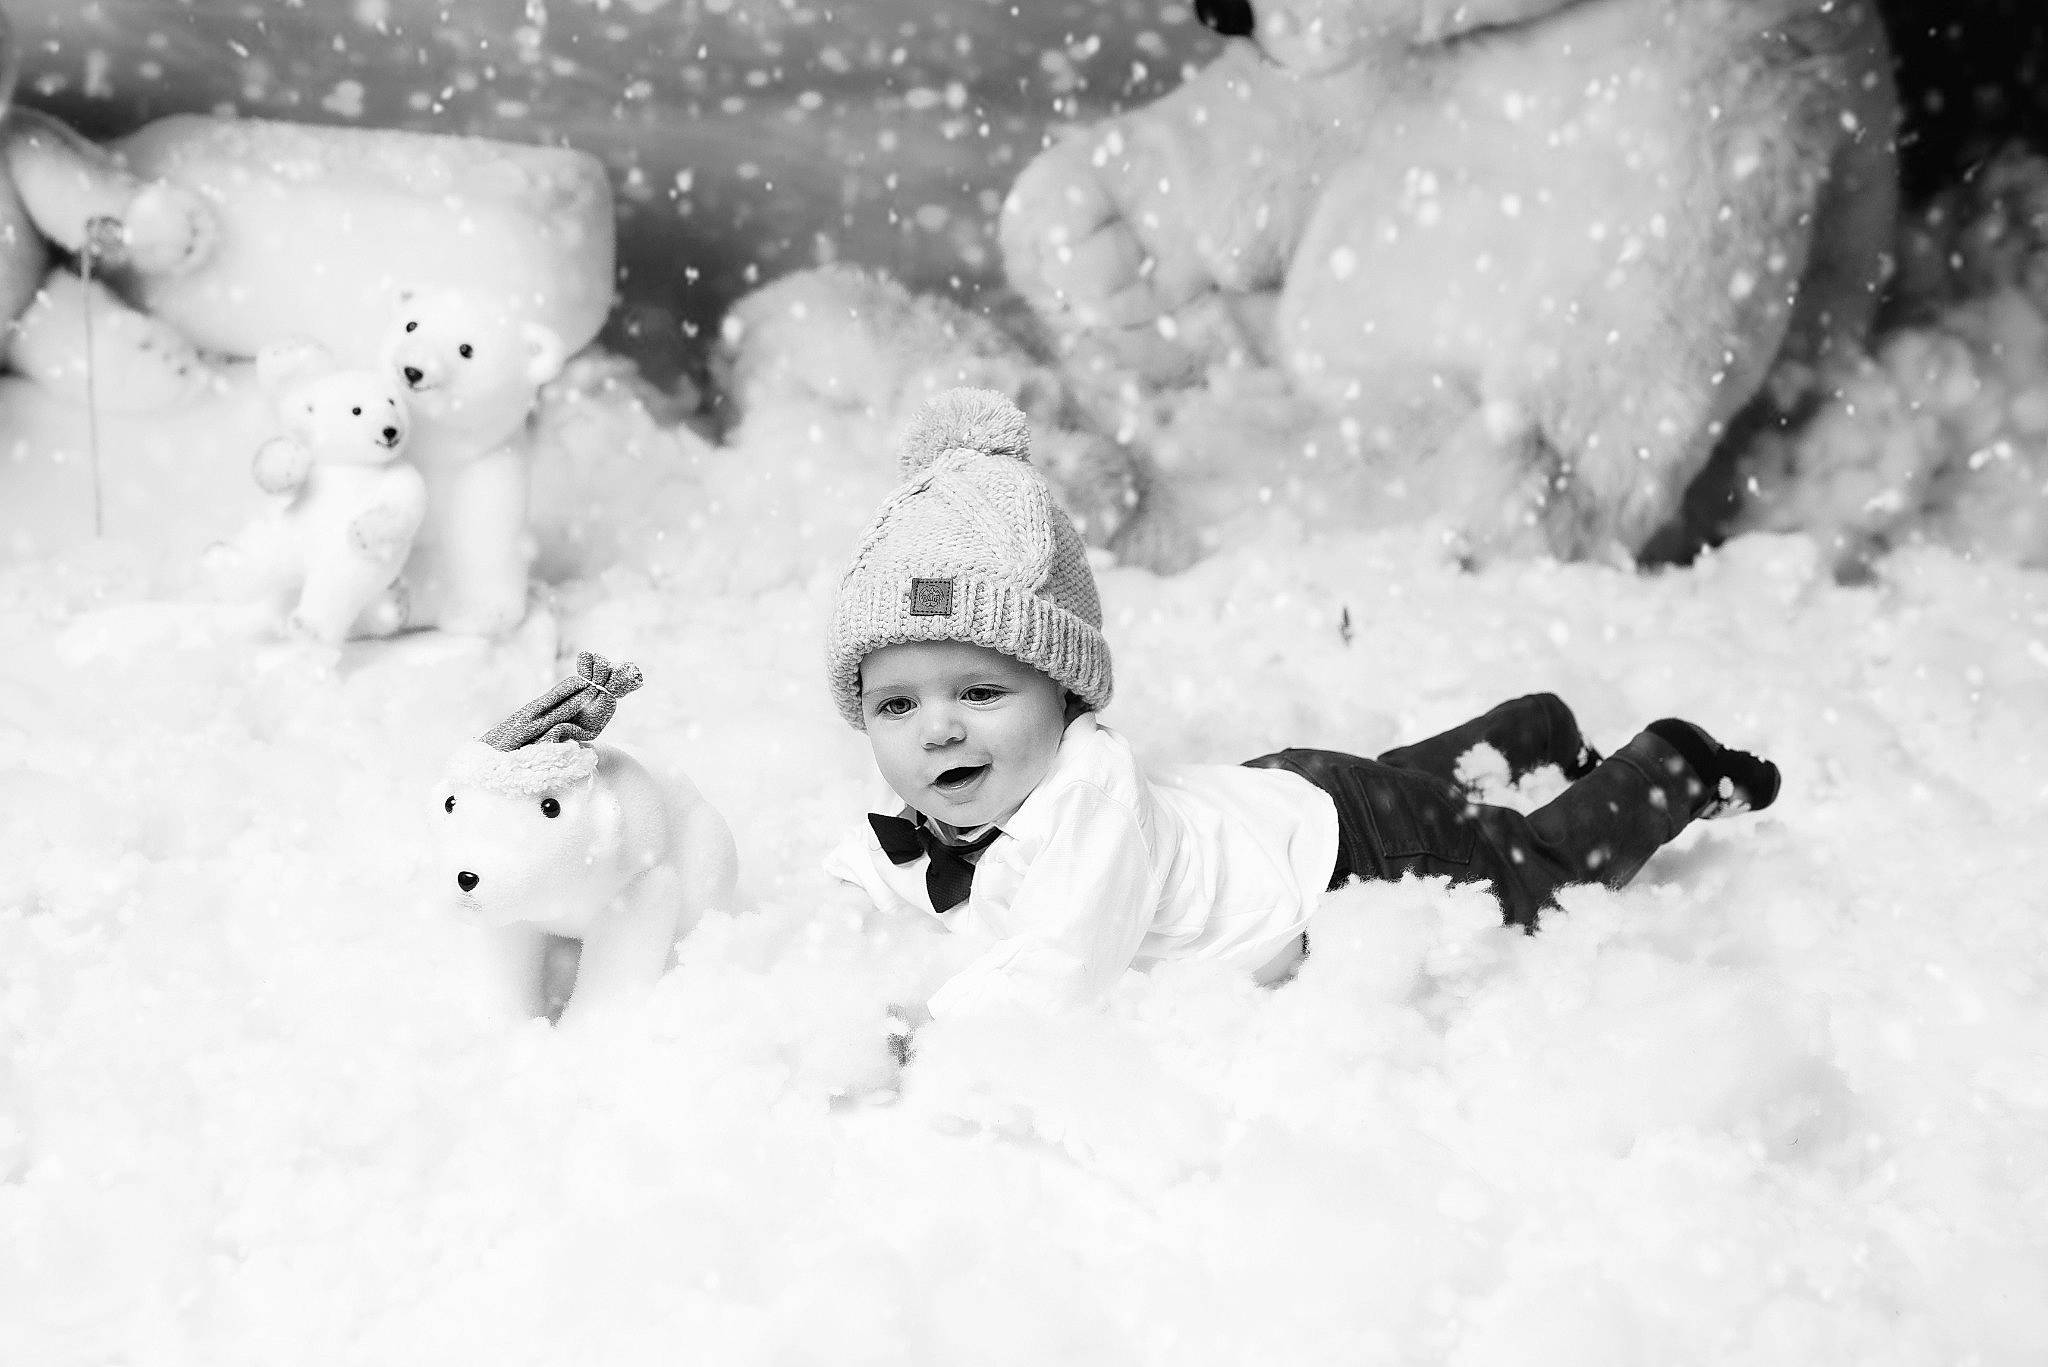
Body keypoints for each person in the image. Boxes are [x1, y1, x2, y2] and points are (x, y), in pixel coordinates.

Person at [823, 389, 1780, 1022]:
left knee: (1528, 877)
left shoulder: (1088, 804)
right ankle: (1531, 732)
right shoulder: (946, 787)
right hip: (1281, 798)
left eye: (980, 691)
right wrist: (836, 925)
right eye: (895, 705)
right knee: (1404, 787)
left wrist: (928, 1031)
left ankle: (1672, 764)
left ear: (1066, 693)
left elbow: (1061, 969)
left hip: (1347, 856)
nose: (936, 729)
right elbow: (867, 869)